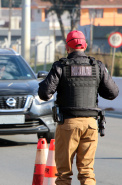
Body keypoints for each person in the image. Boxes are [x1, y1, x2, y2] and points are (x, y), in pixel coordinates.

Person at [38, 30, 119, 185]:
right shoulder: (97, 66)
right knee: (87, 172)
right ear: (85, 46)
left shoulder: (60, 66)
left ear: (67, 48)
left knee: (63, 174)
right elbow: (112, 93)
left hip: (68, 124)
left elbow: (44, 93)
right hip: (91, 124)